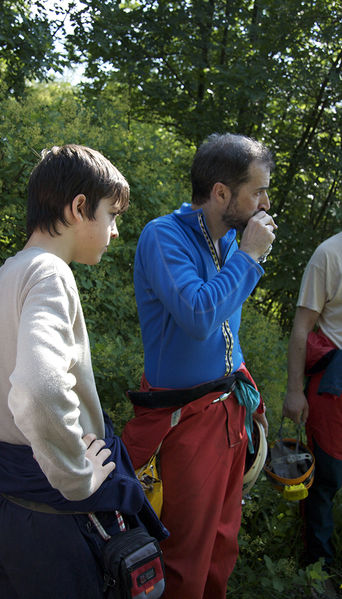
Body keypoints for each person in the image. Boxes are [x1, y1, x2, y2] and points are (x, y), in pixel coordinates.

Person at [0, 144, 166, 599]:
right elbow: (37, 390)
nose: (115, 232)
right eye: (111, 215)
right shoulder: (49, 274)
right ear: (78, 208)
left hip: (6, 503)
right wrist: (78, 476)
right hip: (56, 519)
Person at [122, 133, 276, 599]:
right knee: (184, 554)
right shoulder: (163, 236)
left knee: (222, 546)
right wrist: (249, 257)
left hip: (230, 411)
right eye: (258, 190)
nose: (266, 202)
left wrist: (248, 396)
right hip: (186, 421)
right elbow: (199, 316)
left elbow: (227, 333)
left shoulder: (228, 241)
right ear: (222, 193)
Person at [282, 232, 342, 570]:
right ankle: (318, 568)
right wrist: (294, 390)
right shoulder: (329, 255)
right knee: (325, 479)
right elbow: (302, 328)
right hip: (333, 387)